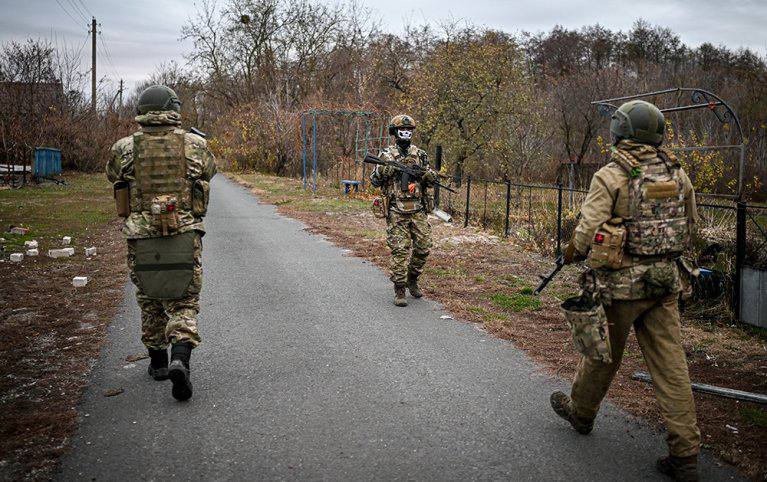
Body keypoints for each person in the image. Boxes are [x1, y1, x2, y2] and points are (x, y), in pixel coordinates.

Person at [550, 100, 701, 481]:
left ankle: (581, 414)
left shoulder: (612, 175)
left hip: (621, 286)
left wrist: (571, 252)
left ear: (621, 133)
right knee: (672, 368)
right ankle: (685, 454)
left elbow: (586, 230)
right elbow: (692, 224)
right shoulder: (677, 174)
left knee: (602, 354)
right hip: (665, 283)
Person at [106, 85, 217, 401]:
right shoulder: (194, 145)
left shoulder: (124, 148)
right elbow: (209, 171)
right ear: (174, 108)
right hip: (183, 233)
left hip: (141, 236)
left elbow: (112, 175)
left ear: (142, 110)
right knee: (184, 300)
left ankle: (157, 363)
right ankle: (179, 358)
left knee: (149, 297)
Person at [370, 114, 438, 307]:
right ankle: (400, 288)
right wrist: (386, 170)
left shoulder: (420, 154)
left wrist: (427, 175)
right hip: (396, 209)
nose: (406, 133)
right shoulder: (386, 155)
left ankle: (412, 279)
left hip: (417, 208)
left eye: (409, 131)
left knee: (423, 247)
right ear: (395, 133)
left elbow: (431, 177)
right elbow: (374, 180)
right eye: (402, 131)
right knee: (400, 250)